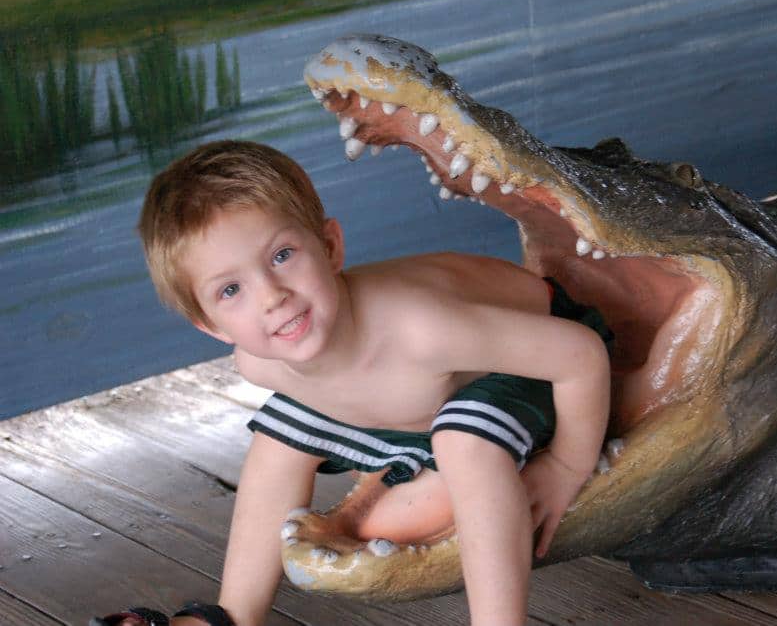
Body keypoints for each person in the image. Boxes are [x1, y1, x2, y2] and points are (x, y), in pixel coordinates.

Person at [97, 140, 611, 626]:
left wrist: (567, 465)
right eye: (231, 289)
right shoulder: (259, 363)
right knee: (281, 430)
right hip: (418, 391)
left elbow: (580, 354)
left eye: (281, 256)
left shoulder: (422, 330)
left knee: (464, 439)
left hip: (532, 354)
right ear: (209, 325)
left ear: (330, 246)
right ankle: (230, 615)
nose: (272, 296)